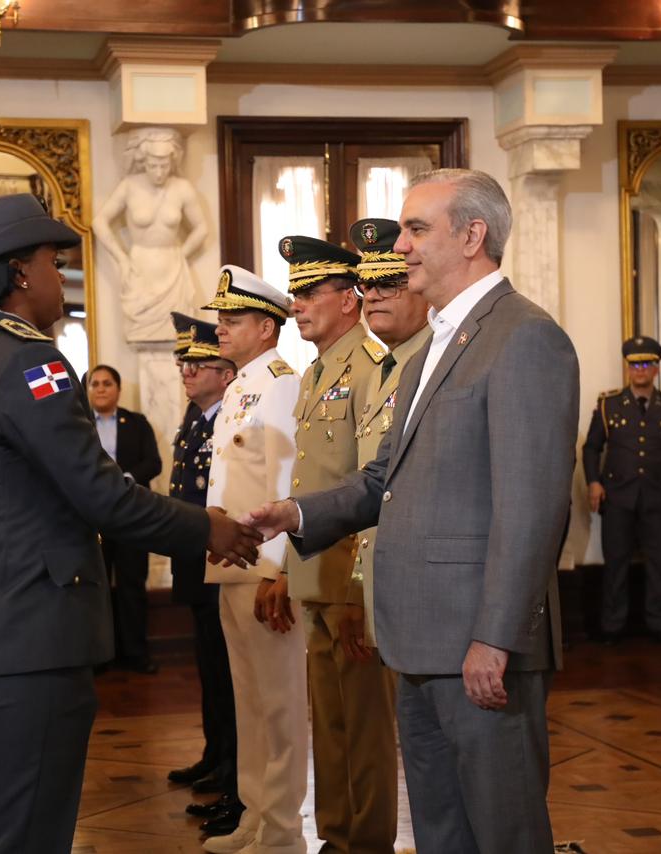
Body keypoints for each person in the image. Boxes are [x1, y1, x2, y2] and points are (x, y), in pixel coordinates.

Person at [245, 169, 579, 853]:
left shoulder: (524, 337)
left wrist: (497, 638)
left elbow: (533, 508)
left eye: (417, 229)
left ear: (473, 236)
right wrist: (297, 515)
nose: (399, 246)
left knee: (503, 830)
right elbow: (381, 480)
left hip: (478, 649)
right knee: (441, 830)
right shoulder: (432, 345)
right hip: (421, 641)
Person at [0, 193, 262, 853]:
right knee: (26, 834)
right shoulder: (29, 361)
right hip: (29, 632)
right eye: (53, 261)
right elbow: (99, 493)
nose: (61, 277)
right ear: (19, 271)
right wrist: (209, 528)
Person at [277, 231, 397, 854]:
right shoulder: (317, 372)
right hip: (315, 575)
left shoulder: (374, 367)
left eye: (310, 291)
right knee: (330, 725)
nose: (297, 304)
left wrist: (357, 593)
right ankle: (337, 838)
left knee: (366, 726)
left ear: (350, 299)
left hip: (349, 580)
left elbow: (372, 488)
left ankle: (369, 842)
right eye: (295, 294)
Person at [199, 265, 306, 854]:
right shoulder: (242, 384)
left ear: (267, 328)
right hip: (231, 565)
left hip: (262, 568)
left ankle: (284, 831)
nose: (220, 328)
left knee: (280, 701)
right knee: (249, 698)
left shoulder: (282, 382)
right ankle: (255, 818)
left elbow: (286, 480)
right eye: (220, 319)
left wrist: (277, 569)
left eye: (232, 320)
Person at [165, 313, 243, 835]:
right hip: (195, 555)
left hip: (219, 553)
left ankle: (233, 771)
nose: (187, 372)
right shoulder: (197, 418)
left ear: (225, 372)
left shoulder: (225, 418)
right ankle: (216, 756)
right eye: (185, 364)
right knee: (209, 669)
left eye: (199, 365)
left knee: (228, 675)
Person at [347, 217, 431, 652]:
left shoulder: (437, 362)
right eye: (367, 286)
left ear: (421, 285)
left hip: (422, 580)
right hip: (378, 570)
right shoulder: (384, 368)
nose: (374, 295)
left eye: (389, 283)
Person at [582, 336, 661, 646]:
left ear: (657, 368)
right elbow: (592, 448)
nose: (641, 370)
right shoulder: (608, 404)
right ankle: (612, 625)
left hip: (658, 497)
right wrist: (593, 481)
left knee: (659, 565)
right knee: (616, 564)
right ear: (628, 367)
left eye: (647, 364)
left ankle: (659, 624)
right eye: (635, 364)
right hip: (618, 497)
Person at [94, 127, 209, 341]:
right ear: (142, 162)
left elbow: (201, 228)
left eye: (164, 166)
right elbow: (99, 222)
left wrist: (181, 254)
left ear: (172, 163)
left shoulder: (182, 188)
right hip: (140, 267)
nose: (158, 172)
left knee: (178, 333)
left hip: (173, 267)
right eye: (152, 166)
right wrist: (121, 258)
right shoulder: (129, 186)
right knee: (142, 334)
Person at [89, 364, 163, 673]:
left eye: (107, 383)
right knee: (97, 587)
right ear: (88, 391)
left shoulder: (137, 423)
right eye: (95, 384)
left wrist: (124, 479)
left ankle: (136, 655)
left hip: (132, 514)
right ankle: (100, 657)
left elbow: (153, 463)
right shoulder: (78, 425)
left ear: (118, 390)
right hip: (93, 518)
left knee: (133, 584)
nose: (101, 388)